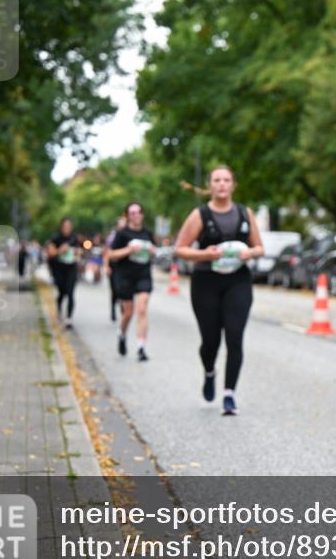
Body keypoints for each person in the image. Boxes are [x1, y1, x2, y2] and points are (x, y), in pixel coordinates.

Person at [174, 166, 264, 416]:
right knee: (210, 341)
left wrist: (250, 253)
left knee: (234, 337)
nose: (222, 184)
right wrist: (205, 254)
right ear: (210, 186)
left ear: (233, 185)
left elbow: (260, 248)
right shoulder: (200, 215)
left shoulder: (245, 213)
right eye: (217, 180)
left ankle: (229, 394)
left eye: (226, 180)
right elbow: (180, 249)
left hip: (238, 281)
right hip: (206, 282)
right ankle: (209, 371)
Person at [109, 203, 156, 361]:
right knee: (128, 312)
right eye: (132, 213)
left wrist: (152, 251)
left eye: (138, 212)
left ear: (142, 214)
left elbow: (154, 251)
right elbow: (111, 255)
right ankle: (122, 334)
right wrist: (129, 250)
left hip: (143, 274)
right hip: (125, 276)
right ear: (128, 216)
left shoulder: (148, 233)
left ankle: (141, 347)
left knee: (142, 310)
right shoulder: (122, 234)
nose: (136, 215)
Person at [46, 218, 80, 329]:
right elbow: (50, 253)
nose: (67, 228)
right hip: (59, 269)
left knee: (70, 293)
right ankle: (59, 306)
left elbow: (79, 252)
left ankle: (69, 318)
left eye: (69, 226)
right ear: (61, 227)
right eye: (65, 226)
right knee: (62, 292)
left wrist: (77, 253)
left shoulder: (74, 238)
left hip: (71, 268)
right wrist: (60, 250)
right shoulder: (56, 238)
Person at [104, 216, 127, 321]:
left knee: (123, 289)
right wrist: (106, 266)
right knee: (115, 290)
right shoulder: (112, 237)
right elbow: (107, 252)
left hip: (124, 267)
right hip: (114, 266)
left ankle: (123, 306)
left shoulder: (128, 235)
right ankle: (113, 309)